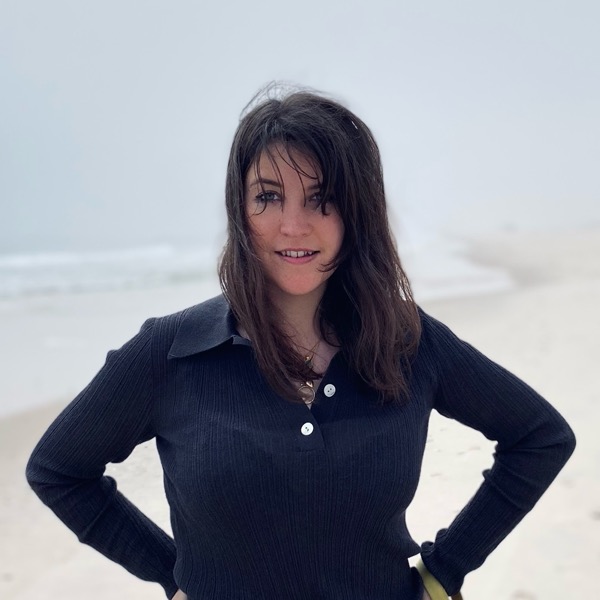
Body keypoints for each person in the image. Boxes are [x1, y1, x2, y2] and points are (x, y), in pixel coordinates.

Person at [26, 86, 576, 600]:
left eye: (321, 198)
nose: (293, 226)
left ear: (357, 211)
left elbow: (540, 437)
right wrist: (173, 576)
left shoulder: (407, 340)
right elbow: (58, 470)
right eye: (268, 197)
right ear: (239, 208)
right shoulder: (171, 351)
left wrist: (444, 571)